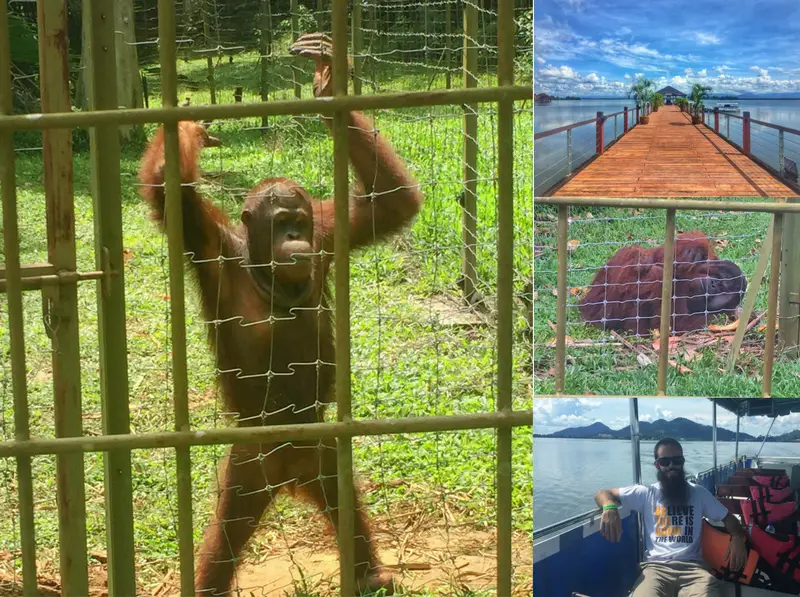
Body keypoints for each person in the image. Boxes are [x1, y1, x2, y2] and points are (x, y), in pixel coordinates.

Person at [594, 438, 748, 597]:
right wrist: (610, 507)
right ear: (657, 465)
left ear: (683, 461)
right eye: (665, 461)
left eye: (677, 460)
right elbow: (602, 494)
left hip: (694, 570)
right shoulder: (647, 493)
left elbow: (728, 517)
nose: (671, 466)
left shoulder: (698, 493)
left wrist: (737, 537)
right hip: (656, 570)